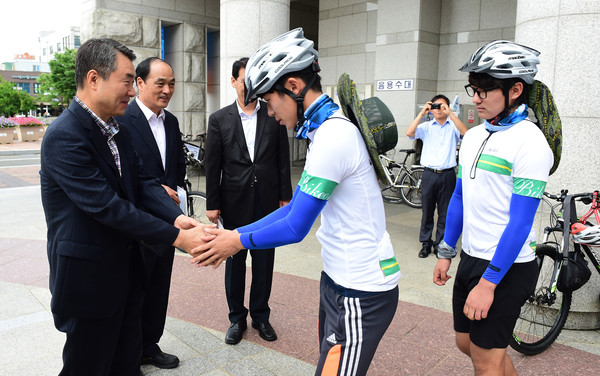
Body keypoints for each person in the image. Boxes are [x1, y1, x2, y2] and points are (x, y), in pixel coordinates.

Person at [193, 28, 401, 376]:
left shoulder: (334, 135)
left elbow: (295, 226)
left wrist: (236, 240)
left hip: (360, 290)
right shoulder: (325, 131)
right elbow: (290, 208)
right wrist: (235, 234)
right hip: (337, 280)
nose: (270, 113)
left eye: (270, 101)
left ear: (292, 87)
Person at [40, 38, 210, 376]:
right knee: (88, 366)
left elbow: (144, 183)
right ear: (94, 79)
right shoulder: (65, 135)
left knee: (127, 363)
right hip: (88, 280)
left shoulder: (117, 131)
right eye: (128, 80)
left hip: (126, 272)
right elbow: (107, 207)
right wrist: (177, 238)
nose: (133, 91)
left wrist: (177, 218)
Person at [433, 40, 553, 375]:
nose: (476, 98)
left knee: (485, 360)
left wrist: (489, 284)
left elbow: (521, 222)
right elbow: (459, 197)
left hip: (509, 265)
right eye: (474, 88)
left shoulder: (531, 142)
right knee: (467, 344)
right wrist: (446, 249)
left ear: (516, 89)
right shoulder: (472, 136)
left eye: (486, 90)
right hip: (471, 256)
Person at [204, 57, 292, 345]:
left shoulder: (273, 114)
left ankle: (261, 316)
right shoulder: (219, 119)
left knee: (265, 261)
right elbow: (212, 164)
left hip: (267, 202)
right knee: (235, 261)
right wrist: (212, 203)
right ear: (233, 82)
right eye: (244, 79)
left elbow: (283, 158)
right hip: (234, 201)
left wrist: (285, 196)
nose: (250, 85)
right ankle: (236, 319)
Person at [117, 57, 185, 369]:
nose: (167, 90)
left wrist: (176, 195)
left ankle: (149, 345)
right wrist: (158, 191)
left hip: (168, 222)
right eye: (160, 83)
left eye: (172, 83)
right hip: (138, 221)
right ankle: (130, 353)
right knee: (134, 292)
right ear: (140, 83)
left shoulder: (170, 121)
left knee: (159, 289)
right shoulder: (123, 120)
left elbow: (176, 168)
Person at [406, 94, 467, 258]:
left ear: (447, 107)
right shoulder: (426, 126)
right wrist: (422, 113)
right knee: (427, 211)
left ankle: (440, 244)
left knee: (445, 213)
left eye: (442, 106)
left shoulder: (453, 126)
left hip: (447, 175)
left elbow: (466, 133)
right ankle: (426, 243)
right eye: (435, 106)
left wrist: (451, 114)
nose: (438, 109)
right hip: (429, 175)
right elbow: (409, 132)